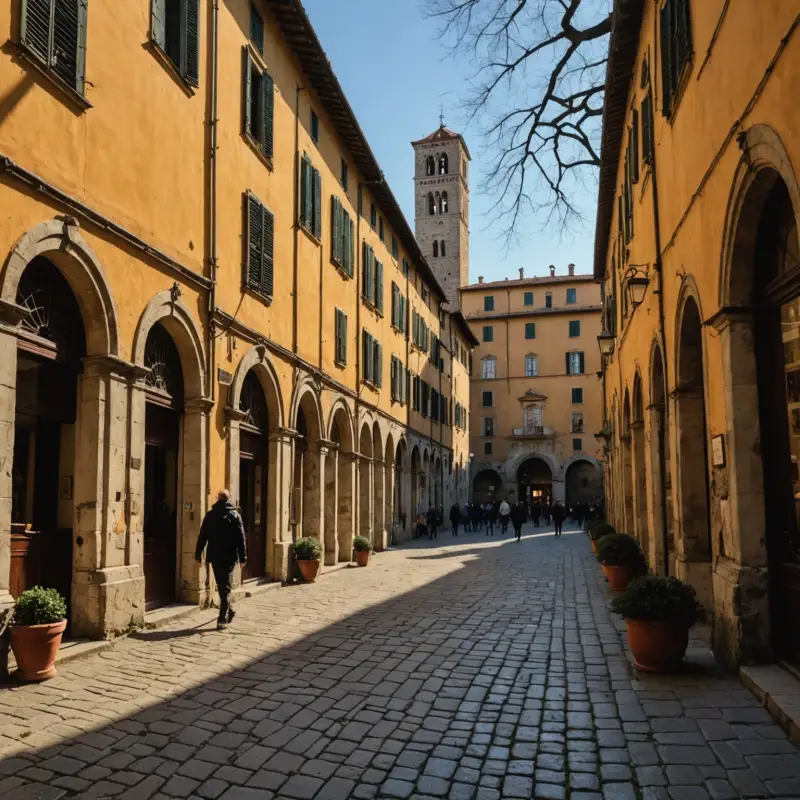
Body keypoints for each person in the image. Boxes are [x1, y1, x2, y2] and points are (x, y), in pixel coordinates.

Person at [195, 490, 246, 631]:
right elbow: (241, 539)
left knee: (222, 586)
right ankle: (223, 618)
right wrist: (243, 558)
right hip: (230, 556)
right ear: (229, 499)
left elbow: (202, 536)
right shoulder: (235, 515)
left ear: (218, 499)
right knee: (225, 587)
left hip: (215, 556)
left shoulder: (210, 515)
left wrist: (198, 554)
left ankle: (228, 612)